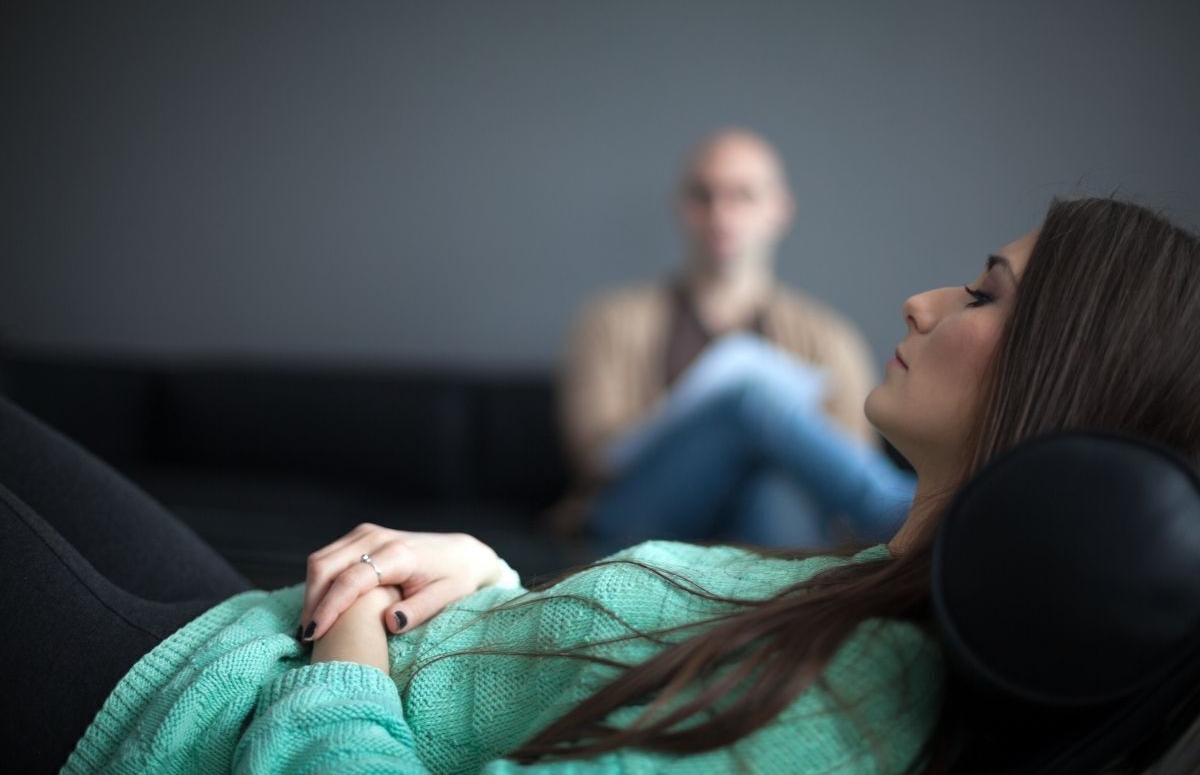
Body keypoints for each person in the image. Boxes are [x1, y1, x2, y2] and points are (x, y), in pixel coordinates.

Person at [5, 197, 1199, 774]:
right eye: (708, 195)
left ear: (1062, 385)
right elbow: (603, 468)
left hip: (192, 720)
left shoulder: (832, 720)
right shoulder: (627, 324)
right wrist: (491, 584)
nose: (925, 301)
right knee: (751, 393)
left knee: (752, 387)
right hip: (275, 634)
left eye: (984, 295)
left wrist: (358, 630)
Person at [555, 128, 913, 549]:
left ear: (780, 210)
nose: (721, 215)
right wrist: (713, 429)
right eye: (703, 196)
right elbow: (596, 457)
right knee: (749, 400)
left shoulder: (828, 335)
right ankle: (905, 514)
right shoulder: (609, 320)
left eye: (743, 195)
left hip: (774, 513)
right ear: (680, 207)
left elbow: (851, 450)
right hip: (639, 513)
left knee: (773, 487)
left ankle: (778, 609)